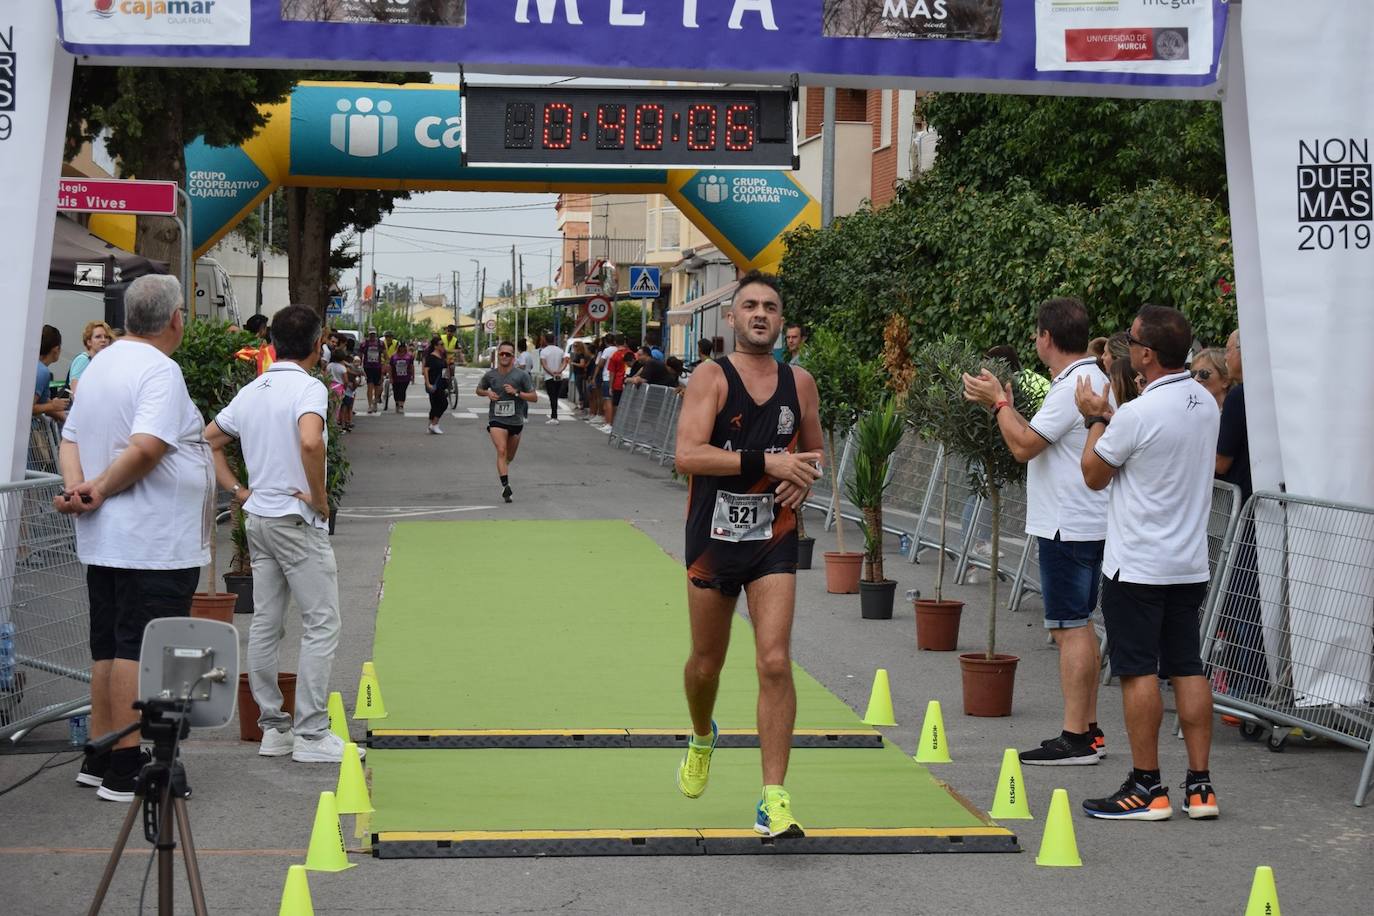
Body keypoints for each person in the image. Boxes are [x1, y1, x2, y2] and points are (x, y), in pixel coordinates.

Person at [673, 270, 824, 839]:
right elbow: (688, 455)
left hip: (773, 539)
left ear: (782, 322)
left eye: (771, 307)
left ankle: (773, 798)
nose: (761, 314)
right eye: (750, 306)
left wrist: (803, 477)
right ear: (731, 318)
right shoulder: (710, 377)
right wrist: (769, 463)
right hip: (713, 540)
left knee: (774, 661)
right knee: (706, 664)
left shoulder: (800, 382)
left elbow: (813, 450)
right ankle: (702, 735)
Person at [54, 275, 211, 802]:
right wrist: (95, 488)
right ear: (174, 319)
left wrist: (79, 488)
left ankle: (100, 753)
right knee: (138, 647)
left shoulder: (102, 363)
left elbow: (69, 436)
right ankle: (126, 763)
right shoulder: (159, 371)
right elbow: (147, 449)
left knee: (109, 643)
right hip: (151, 536)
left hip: (110, 535)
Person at [1074, 304, 1221, 821]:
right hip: (1187, 564)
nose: (1127, 345)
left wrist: (1096, 417)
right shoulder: (1205, 402)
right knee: (1187, 667)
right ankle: (1200, 787)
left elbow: (1093, 474)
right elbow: (1156, 446)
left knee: (1138, 672)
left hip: (1137, 564)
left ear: (1146, 354)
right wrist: (1116, 418)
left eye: (1132, 340)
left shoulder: (1136, 413)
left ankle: (1146, 786)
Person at [203, 306, 360, 764]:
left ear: (271, 342)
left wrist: (238, 489)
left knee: (267, 624)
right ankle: (311, 734)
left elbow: (209, 438)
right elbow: (311, 441)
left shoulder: (253, 389)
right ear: (318, 343)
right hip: (295, 519)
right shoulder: (309, 388)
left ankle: (274, 727)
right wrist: (319, 497)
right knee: (322, 623)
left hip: (259, 520)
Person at [964, 298, 1110, 766]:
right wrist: (1007, 408)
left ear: (1047, 338)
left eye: (1036, 333)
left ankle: (1077, 737)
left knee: (1070, 629)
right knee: (1079, 626)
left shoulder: (1073, 384)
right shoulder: (1088, 379)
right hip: (1083, 520)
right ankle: (1087, 731)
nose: (1034, 340)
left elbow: (1024, 446)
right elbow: (1039, 437)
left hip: (1069, 524)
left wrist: (999, 403)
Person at [476, 341, 537, 502]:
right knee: (501, 451)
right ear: (498, 356)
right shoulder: (491, 375)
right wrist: (487, 393)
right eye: (501, 353)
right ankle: (506, 487)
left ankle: (504, 467)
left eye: (507, 354)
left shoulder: (521, 376)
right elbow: (479, 390)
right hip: (496, 419)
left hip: (516, 421)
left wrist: (517, 393)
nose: (504, 356)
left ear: (513, 357)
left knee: (509, 456)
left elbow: (534, 397)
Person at [33, 325, 70, 424]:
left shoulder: (35, 366)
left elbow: (42, 400)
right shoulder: (43, 372)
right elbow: (28, 408)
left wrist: (63, 417)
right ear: (56, 349)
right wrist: (52, 406)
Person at [67, 319, 114, 396]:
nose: (103, 340)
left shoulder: (103, 361)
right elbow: (75, 393)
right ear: (89, 342)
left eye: (106, 337)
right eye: (98, 337)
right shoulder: (83, 360)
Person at [538, 333, 569, 424]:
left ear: (546, 340)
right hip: (559, 377)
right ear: (554, 340)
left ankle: (554, 417)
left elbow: (544, 364)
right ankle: (554, 416)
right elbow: (565, 362)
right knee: (555, 396)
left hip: (549, 377)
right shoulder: (560, 350)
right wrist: (559, 371)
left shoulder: (544, 351)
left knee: (552, 397)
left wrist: (552, 373)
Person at [423, 336, 448, 435]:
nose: (443, 346)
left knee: (435, 406)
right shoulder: (431, 357)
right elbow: (426, 370)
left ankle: (430, 426)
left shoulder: (442, 356)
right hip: (434, 384)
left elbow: (444, 370)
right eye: (441, 344)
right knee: (443, 403)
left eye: (443, 344)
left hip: (442, 383)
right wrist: (428, 383)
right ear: (435, 346)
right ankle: (434, 424)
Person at [359, 330, 385, 414]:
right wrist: (359, 365)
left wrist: (385, 365)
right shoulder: (364, 344)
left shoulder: (380, 344)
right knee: (369, 386)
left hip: (377, 367)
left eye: (373, 334)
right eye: (371, 334)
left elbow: (385, 355)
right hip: (368, 367)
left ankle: (375, 402)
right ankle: (370, 405)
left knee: (377, 387)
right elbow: (360, 355)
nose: (372, 336)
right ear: (369, 335)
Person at [389, 341, 415, 415]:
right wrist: (390, 377)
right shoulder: (393, 356)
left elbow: (411, 367)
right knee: (396, 391)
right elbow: (390, 367)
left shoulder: (409, 356)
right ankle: (397, 403)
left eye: (403, 347)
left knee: (402, 391)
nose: (402, 349)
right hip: (395, 377)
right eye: (400, 347)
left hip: (405, 377)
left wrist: (413, 377)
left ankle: (401, 405)